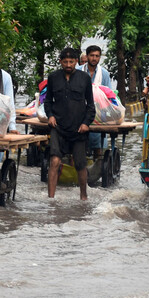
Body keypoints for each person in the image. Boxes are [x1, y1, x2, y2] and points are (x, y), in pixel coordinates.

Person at [44, 48, 96, 200]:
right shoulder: (53, 77)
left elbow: (91, 105)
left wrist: (86, 123)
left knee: (80, 164)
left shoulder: (84, 78)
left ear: (76, 62)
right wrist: (50, 116)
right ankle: (51, 199)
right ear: (60, 61)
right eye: (65, 62)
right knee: (54, 160)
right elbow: (47, 102)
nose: (68, 65)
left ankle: (83, 196)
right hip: (58, 127)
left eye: (71, 62)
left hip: (78, 129)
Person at [77, 45, 112, 184]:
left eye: (97, 56)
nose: (94, 58)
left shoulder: (104, 74)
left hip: (98, 113)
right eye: (92, 55)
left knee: (98, 140)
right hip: (79, 111)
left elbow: (108, 94)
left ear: (99, 57)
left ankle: (98, 164)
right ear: (87, 56)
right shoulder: (78, 71)